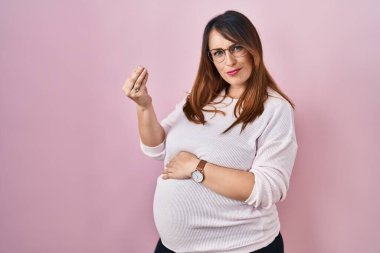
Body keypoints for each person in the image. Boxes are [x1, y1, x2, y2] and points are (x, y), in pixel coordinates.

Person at [122, 10, 298, 253]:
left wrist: (196, 167)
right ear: (211, 59)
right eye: (219, 53)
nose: (230, 61)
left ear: (253, 48)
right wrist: (144, 105)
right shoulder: (199, 99)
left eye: (236, 48)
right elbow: (156, 148)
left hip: (241, 248)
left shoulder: (275, 108)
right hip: (172, 247)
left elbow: (269, 188)